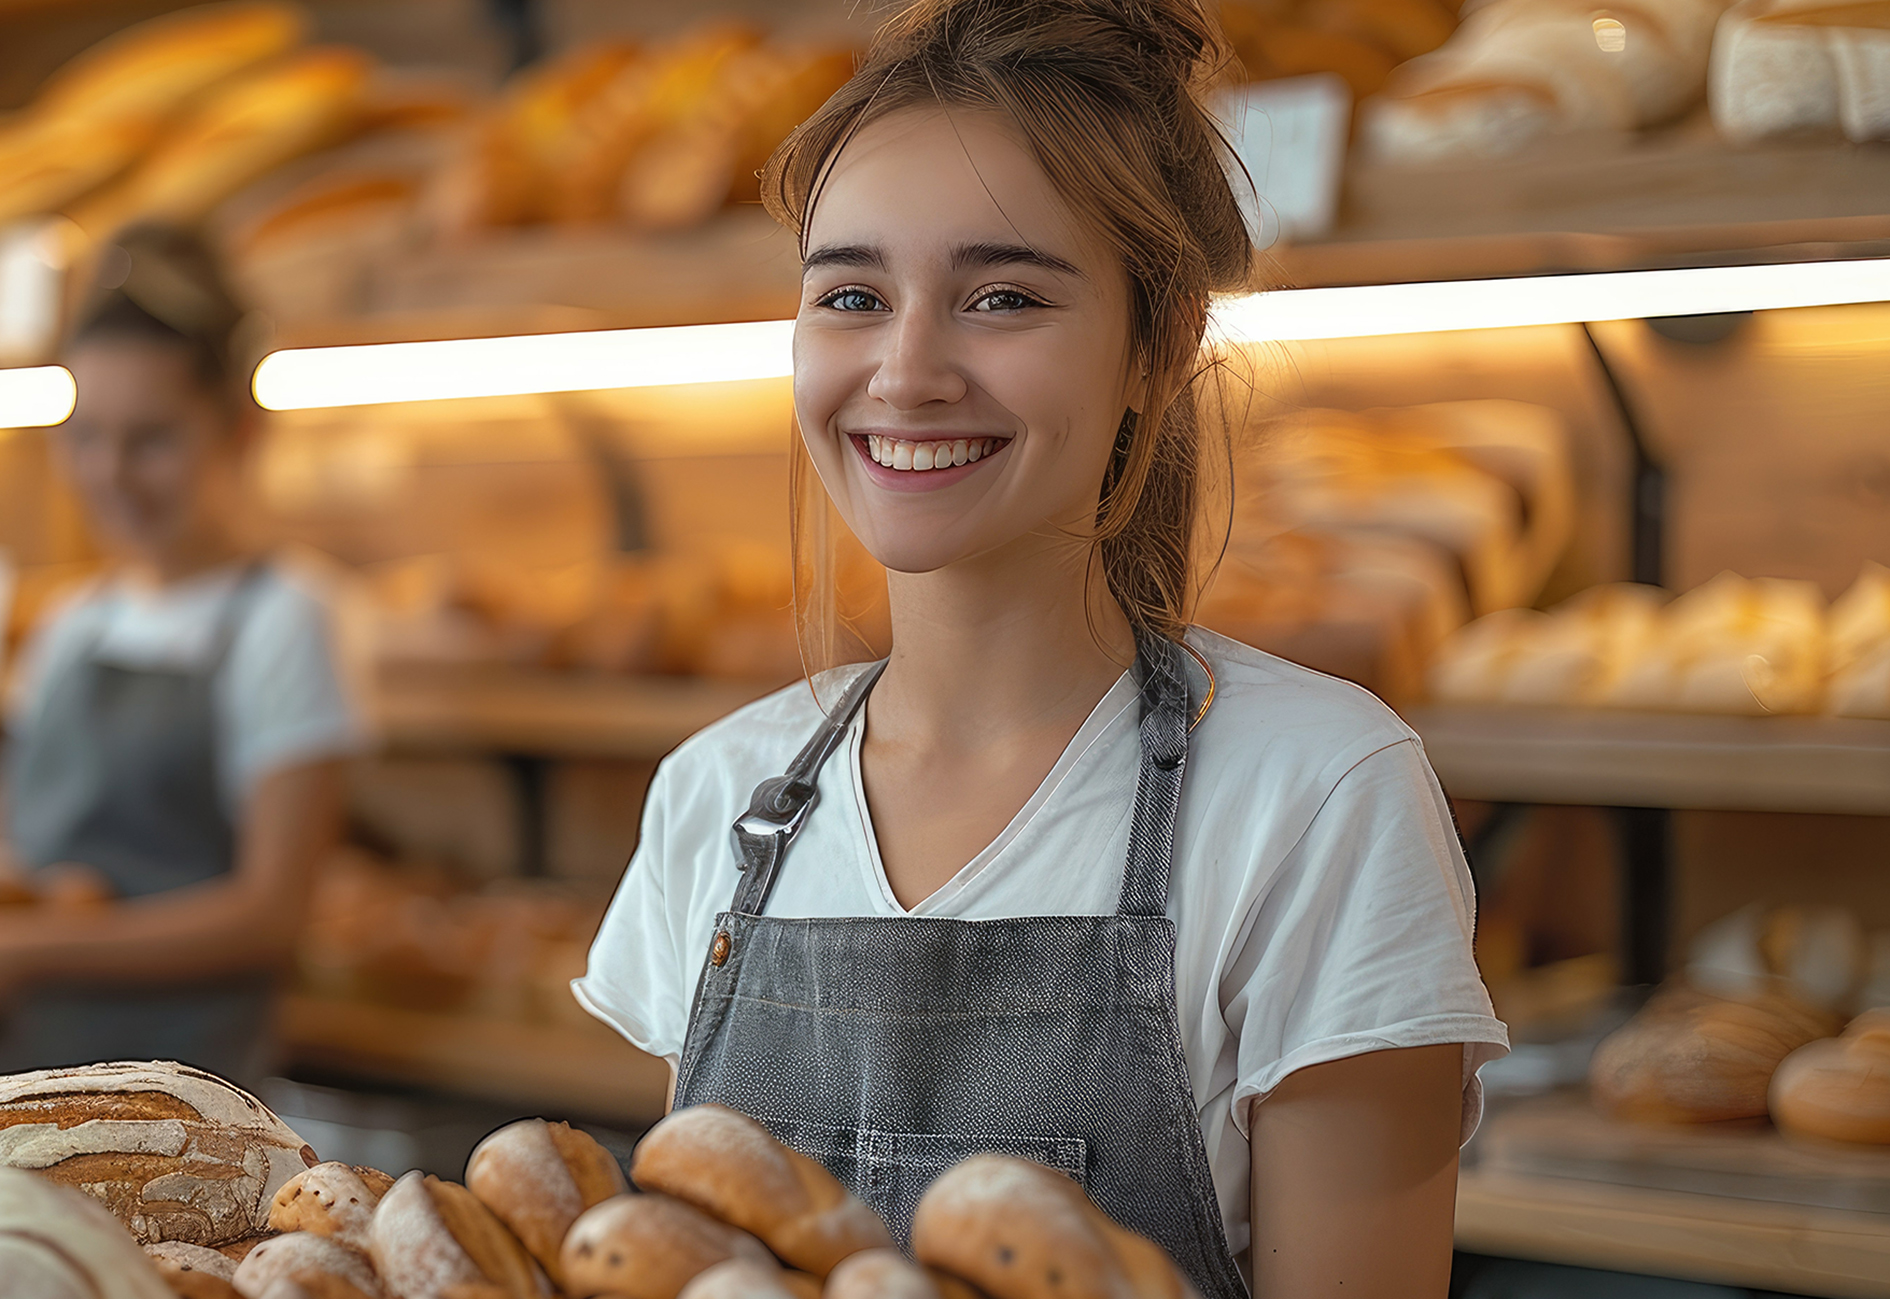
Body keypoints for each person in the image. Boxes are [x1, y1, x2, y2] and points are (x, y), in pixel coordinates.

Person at [575, 1, 1508, 1293]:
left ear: (1159, 341)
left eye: (1001, 296)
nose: (904, 370)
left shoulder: (1315, 791)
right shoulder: (716, 796)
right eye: (851, 294)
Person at [0, 223, 362, 1085]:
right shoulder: (70, 625)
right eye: (86, 437)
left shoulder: (286, 618)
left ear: (238, 432)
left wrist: (33, 946)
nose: (111, 473)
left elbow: (270, 913)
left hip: (187, 1097)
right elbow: (29, 853)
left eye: (151, 439)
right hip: (35, 1079)